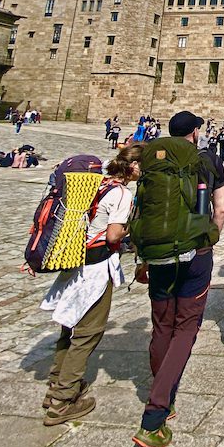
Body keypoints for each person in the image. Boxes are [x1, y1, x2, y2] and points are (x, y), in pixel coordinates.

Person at [132, 111, 224, 447]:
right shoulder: (208, 159)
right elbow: (219, 210)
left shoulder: (152, 161)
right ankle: (156, 412)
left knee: (162, 325)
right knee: (186, 328)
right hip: (195, 251)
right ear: (196, 133)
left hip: (156, 251)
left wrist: (142, 255)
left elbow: (142, 208)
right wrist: (210, 237)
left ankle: (164, 395)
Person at [37, 145, 141, 425]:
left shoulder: (95, 185)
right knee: (87, 333)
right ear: (132, 168)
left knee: (68, 326)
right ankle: (62, 401)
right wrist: (133, 227)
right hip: (95, 270)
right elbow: (113, 235)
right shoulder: (120, 193)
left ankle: (55, 387)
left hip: (74, 262)